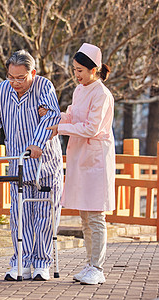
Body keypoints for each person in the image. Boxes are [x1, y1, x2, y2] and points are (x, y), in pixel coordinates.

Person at [0, 50, 64, 281]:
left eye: (20, 78)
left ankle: (41, 263)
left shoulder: (44, 87)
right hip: (17, 164)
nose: (15, 83)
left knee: (44, 214)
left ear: (32, 73)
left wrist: (37, 143)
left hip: (44, 164)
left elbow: (51, 117)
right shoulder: (3, 90)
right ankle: (21, 261)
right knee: (19, 215)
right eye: (11, 77)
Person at [45, 43, 115, 285]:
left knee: (96, 216)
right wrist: (52, 115)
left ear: (94, 70)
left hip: (96, 160)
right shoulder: (79, 90)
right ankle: (89, 264)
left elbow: (91, 128)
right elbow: (73, 116)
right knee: (85, 217)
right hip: (81, 159)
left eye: (81, 70)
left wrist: (60, 128)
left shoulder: (102, 94)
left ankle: (98, 267)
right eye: (75, 70)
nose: (77, 75)